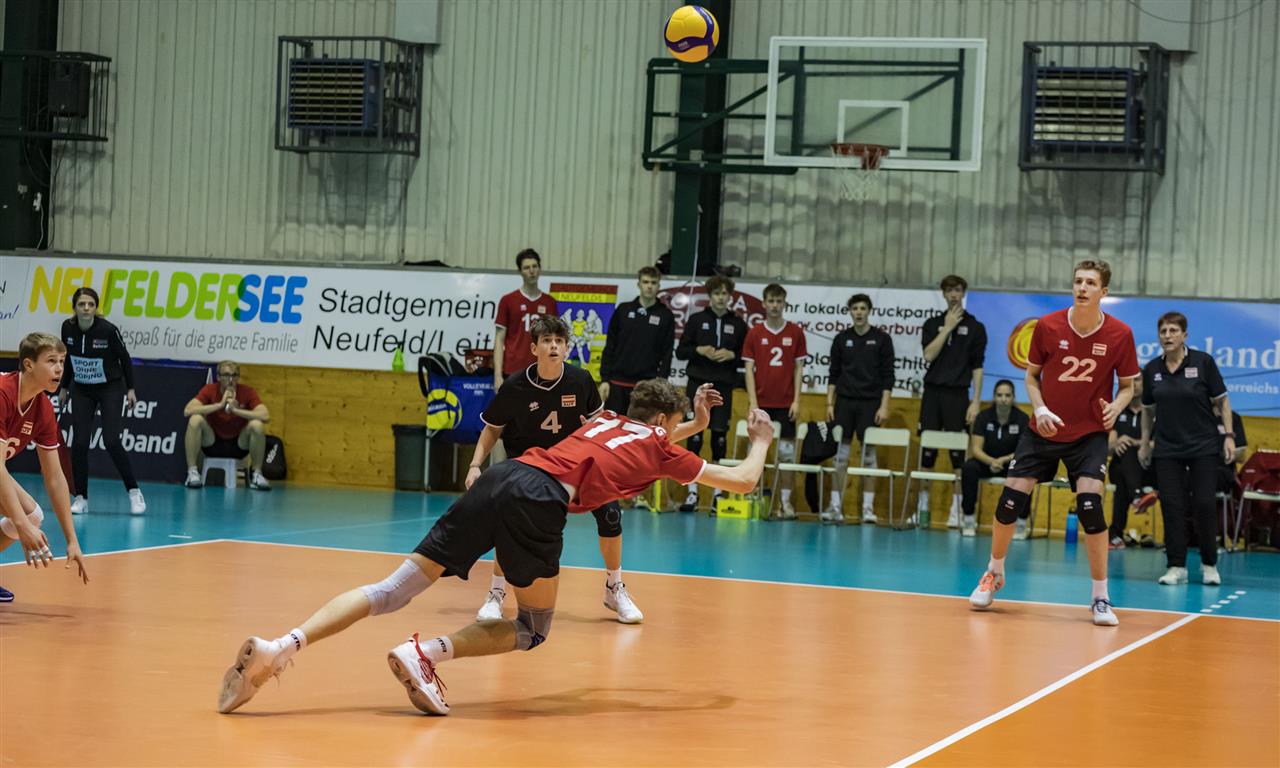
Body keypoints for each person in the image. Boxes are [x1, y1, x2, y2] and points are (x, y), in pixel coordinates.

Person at [217, 380, 774, 716]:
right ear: (664, 421)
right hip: (540, 500)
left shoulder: (608, 419)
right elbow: (743, 480)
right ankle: (426, 655)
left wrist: (694, 422)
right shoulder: (659, 443)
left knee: (392, 590)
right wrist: (761, 442)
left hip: (505, 475)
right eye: (674, 426)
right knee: (532, 628)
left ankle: (280, 646)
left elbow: (646, 440)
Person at [968, 260, 1138, 626]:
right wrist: (1041, 408)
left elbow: (1127, 387)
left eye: (1090, 283)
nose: (1082, 288)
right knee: (1010, 501)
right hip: (1044, 429)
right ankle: (994, 571)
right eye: (1078, 281)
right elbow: (1031, 378)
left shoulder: (1120, 334)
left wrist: (1116, 408)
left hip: (1089, 433)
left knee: (1091, 506)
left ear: (1103, 292)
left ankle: (1100, 597)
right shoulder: (1048, 326)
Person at [468, 315, 644, 624]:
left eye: (559, 341)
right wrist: (474, 466)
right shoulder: (515, 385)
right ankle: (496, 592)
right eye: (547, 341)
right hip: (529, 466)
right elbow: (492, 429)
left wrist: (601, 449)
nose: (553, 346)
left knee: (610, 512)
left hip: (574, 464)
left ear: (566, 348)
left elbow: (598, 425)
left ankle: (614, 588)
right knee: (509, 520)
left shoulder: (581, 380)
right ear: (534, 348)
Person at [1138, 312, 1236, 587]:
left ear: (1184, 335)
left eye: (1173, 331)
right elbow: (1148, 411)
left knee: (1204, 504)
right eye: (1163, 331)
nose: (1167, 336)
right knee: (1172, 505)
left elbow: (1223, 402)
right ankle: (1176, 566)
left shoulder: (1203, 363)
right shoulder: (1152, 369)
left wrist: (1229, 436)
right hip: (1167, 448)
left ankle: (1209, 564)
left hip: (1203, 446)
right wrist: (1145, 442)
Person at [1, 332, 91, 602]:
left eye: (62, 361)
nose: (59, 369)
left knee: (32, 516)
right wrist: (20, 524)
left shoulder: (42, 409)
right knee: (23, 520)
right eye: (51, 361)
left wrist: (72, 540)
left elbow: (54, 477)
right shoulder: (4, 393)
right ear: (29, 364)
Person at [57, 287, 146, 516]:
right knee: (79, 443)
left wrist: (131, 389)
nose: (86, 308)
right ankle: (81, 497)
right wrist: (64, 387)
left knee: (111, 440)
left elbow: (125, 359)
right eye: (82, 304)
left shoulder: (108, 330)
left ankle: (134, 492)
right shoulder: (67, 328)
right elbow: (69, 360)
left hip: (110, 389)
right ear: (74, 308)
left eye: (91, 304)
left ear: (96, 308)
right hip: (82, 390)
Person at [917, 275, 987, 527]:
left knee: (959, 457)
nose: (954, 295)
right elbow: (928, 355)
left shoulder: (976, 327)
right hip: (932, 394)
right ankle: (922, 511)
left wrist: (975, 401)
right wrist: (947, 328)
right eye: (949, 290)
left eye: (957, 290)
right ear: (944, 294)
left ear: (963, 293)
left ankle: (957, 513)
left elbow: (978, 367)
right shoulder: (932, 323)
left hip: (958, 395)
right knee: (927, 455)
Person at [674, 275, 747, 511]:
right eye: (716, 293)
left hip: (723, 386)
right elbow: (681, 352)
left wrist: (733, 355)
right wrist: (699, 349)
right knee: (694, 437)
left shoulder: (738, 324)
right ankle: (692, 494)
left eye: (724, 294)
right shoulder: (697, 320)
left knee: (719, 439)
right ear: (710, 296)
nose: (720, 298)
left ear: (730, 297)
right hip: (697, 385)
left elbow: (748, 357)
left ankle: (718, 494)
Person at [824, 293, 895, 524]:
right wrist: (829, 403)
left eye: (863, 308)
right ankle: (836, 506)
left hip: (871, 404)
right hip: (844, 402)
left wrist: (884, 406)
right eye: (855, 308)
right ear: (850, 312)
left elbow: (888, 376)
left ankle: (868, 509)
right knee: (840, 457)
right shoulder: (841, 339)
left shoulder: (882, 339)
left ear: (869, 311)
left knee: (869, 457)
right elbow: (833, 374)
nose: (859, 312)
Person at [743, 283, 809, 519]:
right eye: (771, 301)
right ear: (764, 303)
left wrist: (797, 400)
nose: (774, 305)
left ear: (784, 304)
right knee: (755, 454)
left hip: (785, 405)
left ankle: (785, 502)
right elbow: (748, 370)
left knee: (786, 456)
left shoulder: (795, 332)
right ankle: (752, 496)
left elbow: (799, 369)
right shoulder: (754, 333)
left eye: (779, 301)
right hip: (761, 404)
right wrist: (753, 402)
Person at [599, 266, 676, 416]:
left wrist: (660, 385)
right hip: (617, 383)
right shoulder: (623, 310)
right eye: (645, 282)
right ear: (638, 284)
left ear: (659, 286)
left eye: (653, 283)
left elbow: (667, 353)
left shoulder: (666, 315)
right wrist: (605, 379)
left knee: (641, 428)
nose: (649, 286)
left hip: (647, 386)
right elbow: (610, 346)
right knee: (614, 427)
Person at [182, 361, 272, 490]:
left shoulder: (247, 391)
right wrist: (219, 405)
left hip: (239, 445)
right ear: (218, 377)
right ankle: (192, 472)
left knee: (257, 425)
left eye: (234, 375)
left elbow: (265, 416)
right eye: (226, 375)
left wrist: (236, 411)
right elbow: (188, 410)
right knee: (195, 419)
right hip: (213, 443)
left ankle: (257, 474)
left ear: (238, 377)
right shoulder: (210, 389)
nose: (230, 379)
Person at [959, 379, 1029, 537]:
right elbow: (976, 449)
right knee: (969, 468)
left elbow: (1023, 451)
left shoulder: (1022, 419)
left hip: (1010, 463)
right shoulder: (983, 417)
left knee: (1027, 472)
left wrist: (1003, 460)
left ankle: (1021, 523)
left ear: (1013, 397)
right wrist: (992, 461)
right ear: (994, 397)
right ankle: (968, 518)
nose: (1003, 399)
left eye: (1007, 395)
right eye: (1000, 395)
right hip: (986, 462)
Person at [493, 248, 558, 389]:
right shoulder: (508, 300)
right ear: (520, 271)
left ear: (540, 269)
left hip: (543, 372)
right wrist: (497, 375)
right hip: (513, 372)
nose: (532, 271)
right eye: (527, 268)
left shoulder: (550, 302)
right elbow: (499, 339)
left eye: (535, 266)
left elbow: (555, 340)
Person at [1105, 378, 1152, 550]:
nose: (1134, 384)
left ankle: (1115, 535)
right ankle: (1137, 496)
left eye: (1138, 380)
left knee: (1122, 482)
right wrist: (1117, 443)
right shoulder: (1118, 411)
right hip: (1121, 467)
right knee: (1124, 455)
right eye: (1131, 380)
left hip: (1147, 468)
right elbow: (1108, 448)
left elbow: (1160, 444)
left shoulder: (1153, 412)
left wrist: (1136, 442)